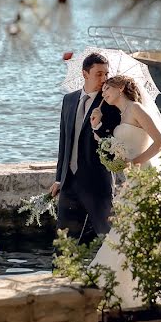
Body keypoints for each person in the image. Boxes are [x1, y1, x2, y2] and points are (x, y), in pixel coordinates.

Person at [88, 74, 161, 309]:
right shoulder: (122, 115)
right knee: (128, 228)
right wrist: (98, 126)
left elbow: (160, 142)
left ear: (121, 87)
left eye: (107, 88)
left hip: (145, 175)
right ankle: (127, 286)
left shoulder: (136, 108)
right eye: (102, 90)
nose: (103, 93)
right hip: (132, 178)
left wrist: (136, 162)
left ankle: (141, 285)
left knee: (137, 227)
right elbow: (120, 149)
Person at [50, 52, 121, 237]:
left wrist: (98, 125)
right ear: (85, 74)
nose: (104, 78)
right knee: (64, 242)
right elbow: (64, 141)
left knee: (107, 239)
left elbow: (113, 143)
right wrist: (59, 179)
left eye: (106, 73)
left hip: (97, 184)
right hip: (69, 184)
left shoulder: (111, 104)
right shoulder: (69, 100)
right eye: (99, 74)